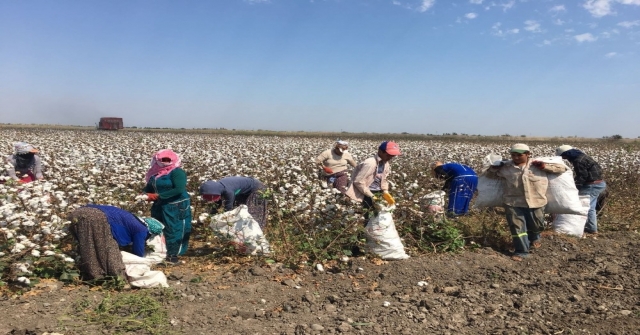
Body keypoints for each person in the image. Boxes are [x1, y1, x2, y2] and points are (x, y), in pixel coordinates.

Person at [484, 143, 567, 261]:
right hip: (513, 202)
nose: (516, 158)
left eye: (519, 155)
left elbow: (562, 168)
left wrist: (544, 167)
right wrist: (493, 168)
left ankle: (534, 236)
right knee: (517, 227)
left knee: (537, 224)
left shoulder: (537, 165)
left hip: (536, 201)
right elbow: (489, 175)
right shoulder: (506, 167)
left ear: (528, 154)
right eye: (513, 155)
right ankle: (521, 251)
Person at [68, 205, 162, 280]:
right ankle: (115, 276)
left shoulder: (133, 219)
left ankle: (89, 273)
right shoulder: (142, 229)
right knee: (108, 248)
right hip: (96, 217)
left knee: (87, 246)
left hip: (77, 213)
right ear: (150, 231)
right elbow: (138, 252)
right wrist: (141, 262)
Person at [144, 149, 192, 264]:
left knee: (174, 229)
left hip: (176, 205)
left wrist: (158, 196)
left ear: (173, 160)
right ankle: (160, 252)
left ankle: (173, 255)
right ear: (157, 160)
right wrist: (145, 194)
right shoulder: (155, 173)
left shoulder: (177, 172)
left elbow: (179, 189)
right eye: (162, 160)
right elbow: (150, 187)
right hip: (160, 205)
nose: (165, 162)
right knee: (158, 227)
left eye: (168, 160)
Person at [555, 145, 607, 235]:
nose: (564, 158)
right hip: (599, 183)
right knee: (591, 206)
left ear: (568, 154)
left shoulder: (578, 161)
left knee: (587, 207)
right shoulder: (583, 156)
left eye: (564, 156)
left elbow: (582, 176)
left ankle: (592, 229)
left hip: (592, 185)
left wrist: (575, 188)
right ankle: (589, 226)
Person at [345, 141, 401, 223]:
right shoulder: (370, 163)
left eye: (392, 155)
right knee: (368, 216)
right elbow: (358, 181)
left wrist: (385, 191)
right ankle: (366, 233)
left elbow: (384, 179)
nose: (391, 157)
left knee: (378, 216)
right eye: (388, 155)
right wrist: (371, 196)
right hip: (367, 194)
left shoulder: (386, 163)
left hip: (378, 192)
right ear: (380, 151)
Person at [199, 176, 268, 230]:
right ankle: (240, 229)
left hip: (257, 188)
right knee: (239, 209)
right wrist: (210, 215)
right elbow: (217, 203)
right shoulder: (219, 188)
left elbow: (228, 209)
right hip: (243, 192)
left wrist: (224, 222)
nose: (211, 199)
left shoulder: (228, 191)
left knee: (253, 213)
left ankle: (255, 233)